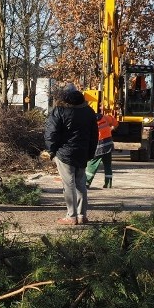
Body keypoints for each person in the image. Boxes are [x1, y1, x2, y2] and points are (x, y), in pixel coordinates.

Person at [45, 85, 99, 225]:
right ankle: (82, 216)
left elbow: (51, 133)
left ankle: (71, 216)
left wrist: (52, 151)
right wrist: (90, 153)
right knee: (81, 184)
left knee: (68, 184)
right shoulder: (89, 111)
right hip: (82, 152)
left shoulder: (60, 110)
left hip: (64, 153)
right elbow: (94, 135)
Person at [85, 111, 118, 189]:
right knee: (107, 165)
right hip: (108, 145)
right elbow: (115, 123)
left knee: (92, 165)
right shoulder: (105, 117)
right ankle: (108, 184)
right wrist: (111, 129)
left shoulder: (90, 122)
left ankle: (86, 183)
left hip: (99, 146)